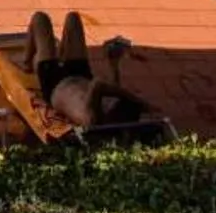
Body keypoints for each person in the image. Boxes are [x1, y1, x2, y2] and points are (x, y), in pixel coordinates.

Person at [21, 10, 153, 134]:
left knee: (40, 18)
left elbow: (98, 84)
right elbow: (113, 89)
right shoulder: (109, 111)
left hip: (54, 82)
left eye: (110, 104)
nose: (109, 102)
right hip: (81, 74)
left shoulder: (91, 117)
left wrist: (140, 102)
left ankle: (27, 63)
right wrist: (114, 65)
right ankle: (62, 55)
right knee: (73, 18)